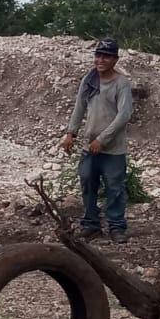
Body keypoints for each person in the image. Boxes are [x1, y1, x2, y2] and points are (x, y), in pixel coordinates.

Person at [61, 37, 134, 242]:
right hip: (89, 145)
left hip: (113, 148)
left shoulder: (121, 84)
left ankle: (117, 226)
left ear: (115, 59)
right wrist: (71, 133)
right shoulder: (89, 80)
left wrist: (102, 139)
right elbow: (79, 107)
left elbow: (124, 115)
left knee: (114, 187)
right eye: (98, 55)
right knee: (87, 182)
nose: (101, 60)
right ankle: (91, 224)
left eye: (106, 56)